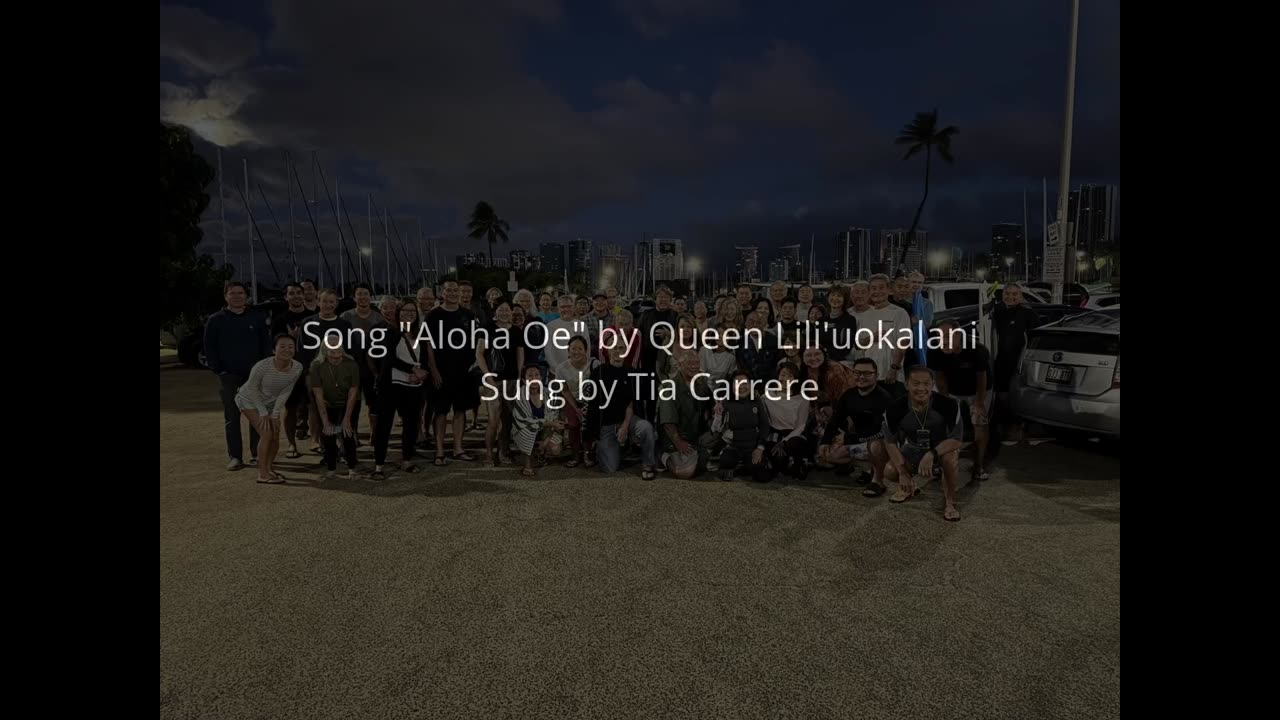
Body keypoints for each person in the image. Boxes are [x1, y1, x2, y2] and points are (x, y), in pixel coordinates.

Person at [882, 366, 965, 521]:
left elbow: (956, 439)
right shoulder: (895, 408)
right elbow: (890, 442)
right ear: (906, 384)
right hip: (913, 447)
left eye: (926, 383)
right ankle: (910, 486)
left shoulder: (949, 405)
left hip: (942, 448)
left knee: (950, 460)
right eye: (916, 383)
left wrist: (931, 454)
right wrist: (903, 473)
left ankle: (949, 503)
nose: (921, 388)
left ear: (932, 384)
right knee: (889, 470)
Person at [205, 281, 272, 470]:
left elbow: (266, 344)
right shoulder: (216, 320)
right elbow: (209, 347)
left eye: (240, 293)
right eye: (232, 293)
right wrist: (219, 370)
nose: (237, 296)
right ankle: (235, 457)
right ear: (226, 296)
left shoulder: (257, 317)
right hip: (229, 376)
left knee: (257, 417)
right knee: (232, 417)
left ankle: (258, 454)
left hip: (254, 377)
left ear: (246, 295)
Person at [423, 280, 481, 464]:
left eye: (456, 290)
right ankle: (439, 450)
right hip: (441, 372)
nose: (453, 293)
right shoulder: (433, 315)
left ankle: (458, 448)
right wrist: (433, 370)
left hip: (464, 373)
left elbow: (475, 341)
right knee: (440, 412)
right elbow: (428, 344)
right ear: (442, 293)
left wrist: (474, 365)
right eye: (449, 290)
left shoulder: (468, 315)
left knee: (460, 411)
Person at [928, 318, 993, 482]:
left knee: (979, 422)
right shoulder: (935, 350)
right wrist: (945, 401)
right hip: (952, 388)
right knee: (939, 421)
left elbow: (981, 378)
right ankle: (937, 461)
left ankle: (978, 466)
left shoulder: (977, 350)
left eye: (948, 336)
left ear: (959, 335)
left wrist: (978, 403)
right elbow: (940, 377)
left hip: (978, 389)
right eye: (940, 337)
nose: (944, 341)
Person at [370, 301, 428, 480]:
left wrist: (421, 373)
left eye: (412, 311)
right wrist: (412, 369)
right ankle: (379, 465)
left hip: (414, 386)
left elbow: (424, 357)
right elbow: (388, 358)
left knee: (411, 424)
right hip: (391, 386)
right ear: (398, 313)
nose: (409, 314)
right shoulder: (390, 332)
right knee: (384, 426)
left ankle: (406, 459)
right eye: (405, 311)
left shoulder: (419, 334)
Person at [819, 357, 893, 496]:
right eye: (857, 372)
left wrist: (848, 437)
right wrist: (825, 441)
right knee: (829, 455)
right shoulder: (849, 395)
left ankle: (877, 481)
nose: (861, 377)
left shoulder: (884, 398)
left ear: (876, 375)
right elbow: (835, 420)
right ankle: (867, 468)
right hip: (859, 439)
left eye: (867, 373)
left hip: (882, 442)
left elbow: (881, 432)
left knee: (875, 446)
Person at [234, 334, 303, 483]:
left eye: (291, 346)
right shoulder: (262, 366)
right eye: (282, 346)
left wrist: (275, 412)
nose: (287, 350)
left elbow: (286, 390)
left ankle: (269, 469)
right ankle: (262, 474)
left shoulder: (297, 367)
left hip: (271, 403)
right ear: (274, 350)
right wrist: (264, 413)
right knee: (266, 434)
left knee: (275, 435)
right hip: (249, 400)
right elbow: (252, 389)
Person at [591, 337, 658, 480]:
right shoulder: (598, 372)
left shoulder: (632, 372)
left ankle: (648, 464)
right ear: (607, 350)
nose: (617, 351)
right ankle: (608, 447)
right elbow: (592, 405)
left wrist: (625, 425)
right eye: (614, 347)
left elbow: (631, 402)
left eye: (621, 348)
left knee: (645, 427)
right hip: (606, 424)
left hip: (627, 419)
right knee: (610, 468)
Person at [299, 290, 353, 454]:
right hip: (316, 374)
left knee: (338, 409)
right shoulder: (308, 323)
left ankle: (342, 443)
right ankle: (322, 443)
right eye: (325, 301)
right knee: (317, 410)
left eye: (332, 302)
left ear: (336, 304)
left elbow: (349, 351)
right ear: (317, 302)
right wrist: (308, 375)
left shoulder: (344, 325)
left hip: (339, 374)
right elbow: (302, 351)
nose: (328, 305)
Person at [989, 283, 1040, 445]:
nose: (1010, 297)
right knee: (1001, 395)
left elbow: (1035, 337)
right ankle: (1001, 427)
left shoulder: (1027, 313)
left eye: (1014, 294)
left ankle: (1016, 429)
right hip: (1000, 360)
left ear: (1020, 296)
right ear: (1002, 294)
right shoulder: (997, 311)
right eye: (1007, 293)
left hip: (1018, 362)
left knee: (1013, 395)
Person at [476, 301, 525, 466]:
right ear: (495, 312)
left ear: (512, 312)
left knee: (508, 419)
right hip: (493, 380)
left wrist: (518, 376)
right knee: (493, 420)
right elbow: (479, 354)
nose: (504, 312)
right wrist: (487, 375)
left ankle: (504, 451)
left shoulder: (517, 331)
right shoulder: (488, 329)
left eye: (507, 310)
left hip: (511, 380)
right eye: (501, 309)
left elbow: (520, 355)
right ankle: (489, 454)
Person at [339, 282, 385, 443]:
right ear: (354, 297)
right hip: (352, 365)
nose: (363, 297)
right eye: (359, 294)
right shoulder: (346, 317)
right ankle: (354, 434)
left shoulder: (378, 317)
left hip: (372, 366)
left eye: (366, 294)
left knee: (373, 401)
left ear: (370, 297)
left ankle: (374, 433)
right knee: (353, 402)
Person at [708, 369, 771, 482]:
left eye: (745, 383)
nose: (741, 387)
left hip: (752, 446)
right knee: (726, 461)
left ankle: (744, 466)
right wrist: (717, 416)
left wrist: (760, 448)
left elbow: (764, 425)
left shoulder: (756, 400)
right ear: (732, 386)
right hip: (733, 445)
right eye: (737, 384)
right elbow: (715, 429)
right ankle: (734, 465)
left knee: (761, 475)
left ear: (750, 384)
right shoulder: (725, 402)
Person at [309, 342, 361, 480]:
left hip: (347, 402)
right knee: (328, 434)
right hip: (327, 403)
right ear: (325, 352)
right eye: (332, 354)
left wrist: (347, 418)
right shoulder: (317, 365)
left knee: (348, 433)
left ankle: (352, 469)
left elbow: (353, 391)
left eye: (339, 352)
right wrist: (325, 421)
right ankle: (331, 469)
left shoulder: (351, 364)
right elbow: (318, 395)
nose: (337, 358)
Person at [658, 352, 713, 479]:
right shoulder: (669, 387)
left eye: (696, 363)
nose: (694, 366)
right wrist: (678, 442)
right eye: (690, 363)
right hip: (675, 439)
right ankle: (662, 456)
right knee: (683, 472)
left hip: (696, 437)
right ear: (680, 365)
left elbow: (712, 404)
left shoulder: (701, 384)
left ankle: (700, 456)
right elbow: (668, 423)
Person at [856, 274, 911, 393]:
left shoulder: (899, 313)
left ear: (889, 290)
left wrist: (894, 369)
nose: (877, 291)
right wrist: (872, 338)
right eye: (874, 288)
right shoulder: (865, 316)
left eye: (881, 288)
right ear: (869, 292)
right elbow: (859, 344)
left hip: (891, 375)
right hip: (869, 377)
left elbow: (903, 343)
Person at [554, 335, 599, 468]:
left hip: (590, 400)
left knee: (587, 425)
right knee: (573, 425)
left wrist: (587, 407)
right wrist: (576, 408)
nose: (576, 351)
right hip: (572, 399)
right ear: (568, 350)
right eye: (573, 348)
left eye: (580, 348)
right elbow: (565, 390)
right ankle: (575, 453)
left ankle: (587, 452)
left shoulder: (595, 364)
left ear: (586, 350)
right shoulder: (561, 368)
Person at [512, 365, 566, 476]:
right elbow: (523, 422)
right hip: (525, 430)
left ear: (541, 378)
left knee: (556, 449)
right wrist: (549, 423)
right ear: (524, 380)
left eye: (537, 375)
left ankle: (541, 452)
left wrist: (545, 443)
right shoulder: (520, 395)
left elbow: (555, 418)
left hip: (545, 430)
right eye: (530, 376)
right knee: (527, 431)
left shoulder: (549, 393)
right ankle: (528, 464)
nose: (534, 378)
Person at [764, 362, 811, 481]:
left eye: (790, 376)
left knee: (794, 444)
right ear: (777, 376)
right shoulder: (768, 395)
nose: (786, 379)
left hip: (794, 435)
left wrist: (784, 442)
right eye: (783, 375)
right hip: (774, 434)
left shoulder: (802, 399)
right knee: (779, 462)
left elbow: (801, 426)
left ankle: (800, 463)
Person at [638, 285, 679, 420]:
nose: (663, 300)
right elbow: (638, 335)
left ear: (671, 300)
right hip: (648, 361)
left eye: (667, 297)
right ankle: (649, 424)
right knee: (650, 397)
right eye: (660, 297)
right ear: (656, 299)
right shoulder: (646, 315)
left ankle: (666, 425)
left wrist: (669, 334)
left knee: (667, 395)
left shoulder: (676, 316)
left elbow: (683, 335)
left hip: (668, 362)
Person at [735, 310, 779, 385]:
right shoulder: (740, 343)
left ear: (765, 324)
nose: (755, 325)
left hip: (770, 384)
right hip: (748, 385)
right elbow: (741, 368)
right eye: (751, 322)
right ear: (745, 324)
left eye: (759, 322)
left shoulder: (774, 341)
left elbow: (776, 366)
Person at [825, 285, 858, 365]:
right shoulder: (822, 320)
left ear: (844, 299)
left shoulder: (849, 320)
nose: (835, 298)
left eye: (839, 296)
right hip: (823, 361)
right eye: (833, 295)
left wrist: (833, 360)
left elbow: (847, 345)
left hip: (842, 363)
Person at [544, 295, 578, 370]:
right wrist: (557, 369)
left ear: (574, 308)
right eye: (563, 307)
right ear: (558, 309)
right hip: (556, 371)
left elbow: (586, 349)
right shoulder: (550, 326)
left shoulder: (581, 325)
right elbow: (548, 350)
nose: (566, 309)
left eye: (569, 306)